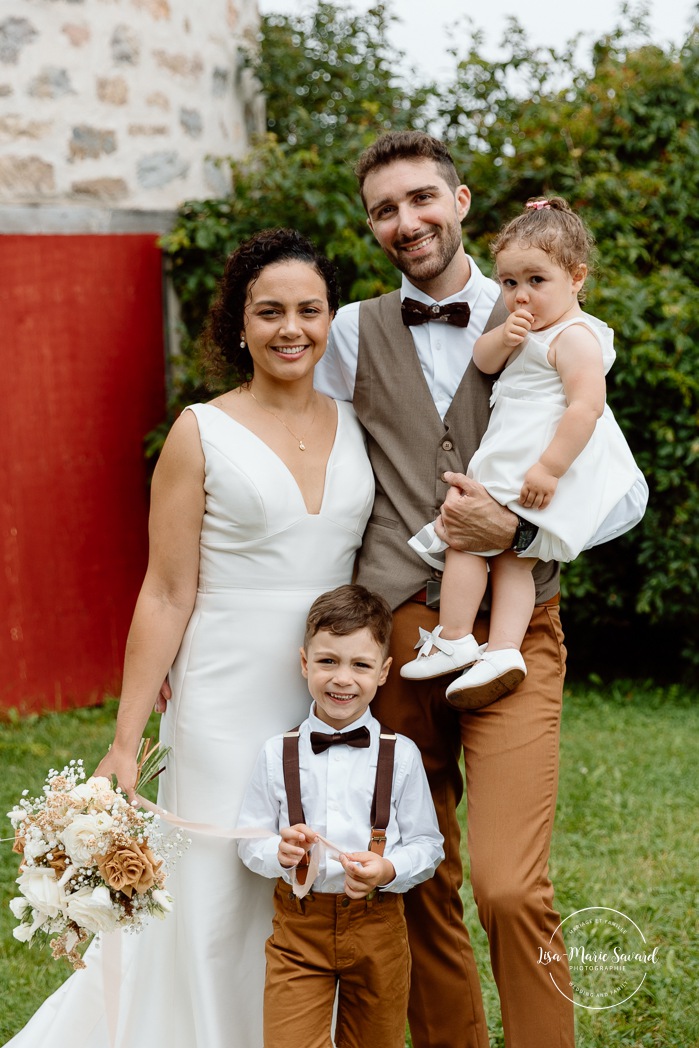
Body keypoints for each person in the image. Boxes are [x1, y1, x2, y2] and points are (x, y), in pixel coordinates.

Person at [313, 131, 648, 1048]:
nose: (405, 221)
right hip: (397, 636)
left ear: (459, 201)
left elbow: (619, 486)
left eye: (421, 198)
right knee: (419, 874)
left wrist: (521, 530)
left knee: (508, 882)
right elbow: (335, 475)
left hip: (514, 628)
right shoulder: (350, 330)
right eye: (384, 208)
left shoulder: (552, 311)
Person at [6, 229, 375, 1048]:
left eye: (308, 311)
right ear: (237, 325)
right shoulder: (199, 431)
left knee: (311, 880)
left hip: (330, 689)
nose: (290, 329)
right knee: (215, 885)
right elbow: (166, 591)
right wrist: (125, 743)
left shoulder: (358, 425)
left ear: (330, 319)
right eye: (268, 311)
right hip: (222, 690)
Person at [401, 197, 641, 707]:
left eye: (536, 281)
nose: (521, 295)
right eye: (509, 283)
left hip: (531, 461)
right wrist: (504, 338)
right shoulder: (528, 328)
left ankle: (456, 636)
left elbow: (585, 408)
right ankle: (504, 651)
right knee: (514, 559)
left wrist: (549, 469)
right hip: (516, 455)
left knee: (467, 538)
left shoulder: (576, 338)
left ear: (576, 278)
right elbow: (483, 361)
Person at [236, 584, 444, 1048]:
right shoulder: (278, 752)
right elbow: (250, 840)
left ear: (384, 672)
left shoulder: (401, 755)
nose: (342, 679)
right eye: (328, 661)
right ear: (305, 663)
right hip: (298, 928)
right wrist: (281, 852)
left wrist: (388, 869)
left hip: (378, 927)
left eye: (361, 665)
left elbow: (428, 846)